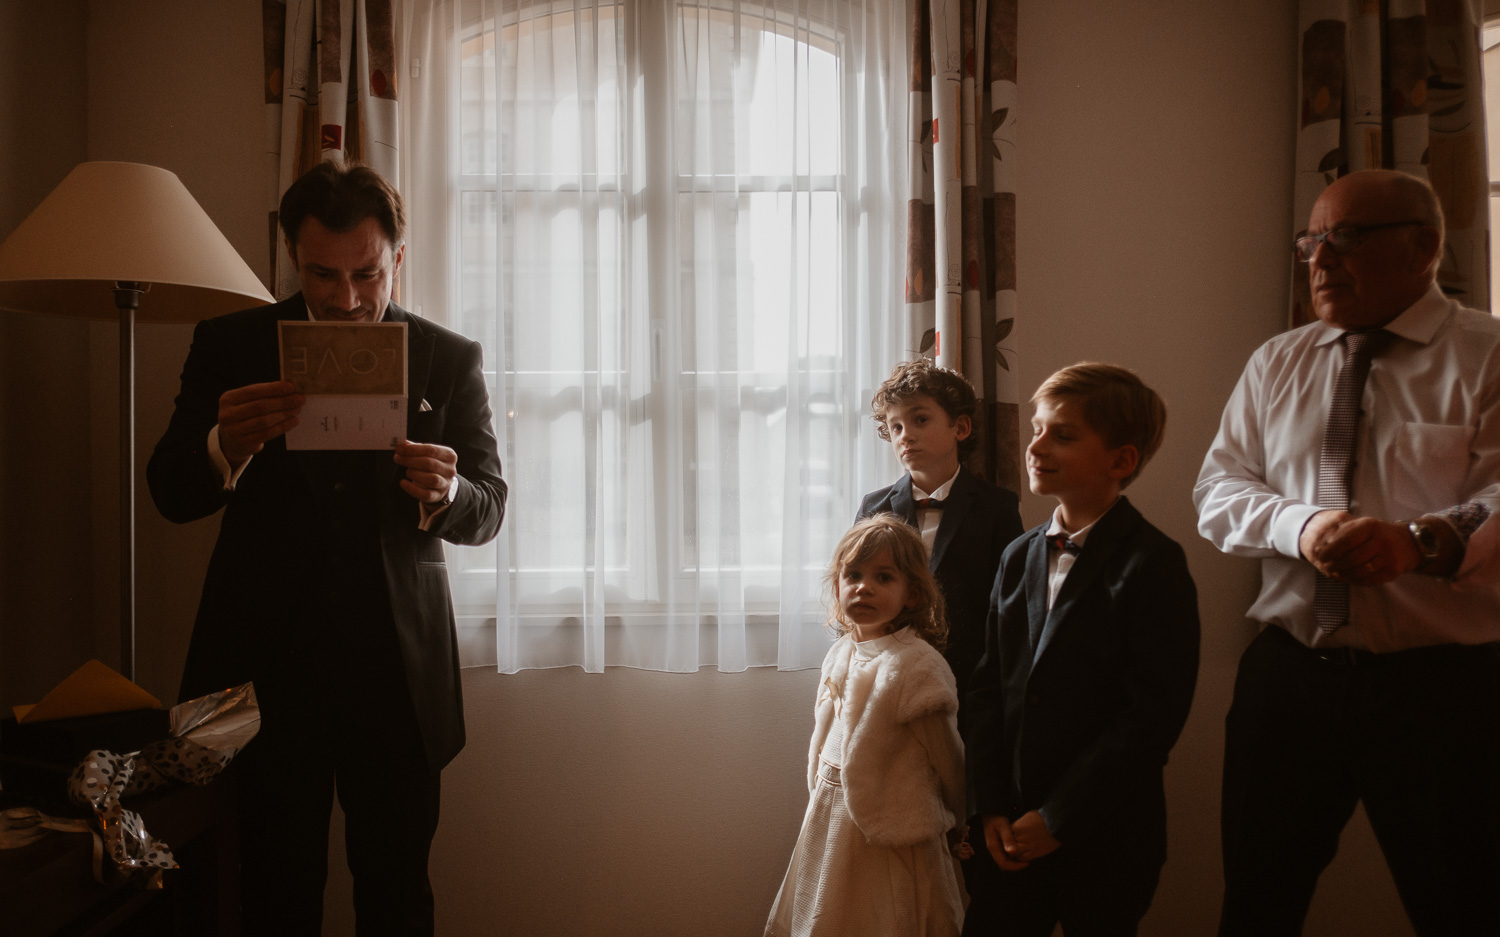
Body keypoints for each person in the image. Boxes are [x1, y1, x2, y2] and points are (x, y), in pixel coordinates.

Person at [148, 160, 506, 936]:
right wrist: (222, 446)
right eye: (322, 275)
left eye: (366, 274)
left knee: (397, 894)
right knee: (273, 896)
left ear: (397, 259)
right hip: (265, 682)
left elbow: (490, 508)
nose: (346, 299)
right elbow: (169, 491)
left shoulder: (448, 357)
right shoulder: (231, 344)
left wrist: (446, 493)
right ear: (290, 254)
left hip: (398, 685)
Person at [1195, 168, 1500, 936]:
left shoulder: (1488, 354)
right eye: (1312, 241)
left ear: (1425, 247)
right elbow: (1219, 490)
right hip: (1290, 680)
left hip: (1443, 689)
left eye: (1348, 237)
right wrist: (1300, 527)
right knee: (1257, 905)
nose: (1321, 260)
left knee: (1464, 903)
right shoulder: (1277, 362)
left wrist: (1424, 540)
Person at [965, 363, 1199, 936]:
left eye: (1062, 435)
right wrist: (990, 806)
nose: (1036, 446)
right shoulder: (1017, 557)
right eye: (1038, 429)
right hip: (1009, 831)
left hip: (1107, 835)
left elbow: (1148, 719)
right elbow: (988, 687)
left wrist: (1060, 817)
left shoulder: (1154, 565)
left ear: (1121, 461)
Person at [765, 514, 968, 937]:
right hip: (831, 813)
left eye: (883, 577)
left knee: (885, 915)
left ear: (911, 593)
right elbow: (824, 734)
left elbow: (949, 760)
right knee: (829, 911)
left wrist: (957, 819)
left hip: (892, 828)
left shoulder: (916, 666)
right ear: (837, 587)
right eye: (852, 575)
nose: (864, 586)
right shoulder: (841, 652)